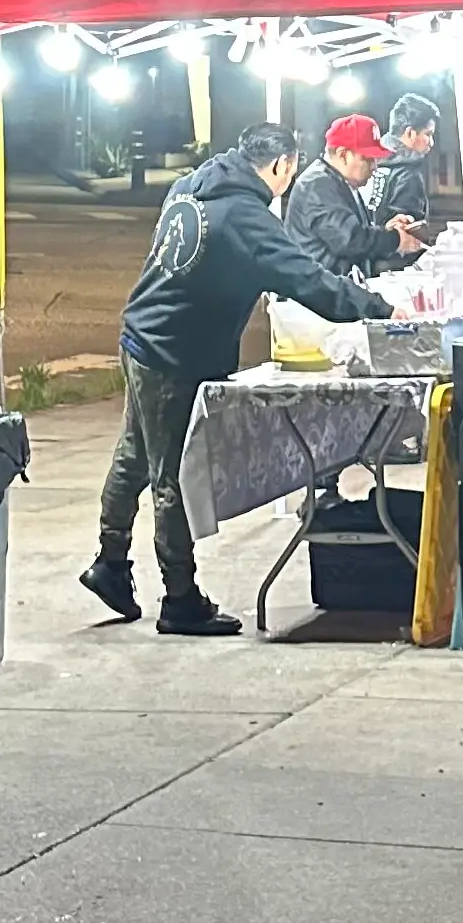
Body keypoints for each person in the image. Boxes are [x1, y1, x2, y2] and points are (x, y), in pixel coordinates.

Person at [81, 122, 397, 636]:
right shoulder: (246, 217)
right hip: (176, 352)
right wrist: (379, 309)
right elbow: (308, 279)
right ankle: (179, 598)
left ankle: (110, 561)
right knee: (171, 475)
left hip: (142, 333)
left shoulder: (191, 185)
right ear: (281, 166)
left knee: (136, 454)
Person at [286, 113, 421, 278]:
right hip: (316, 295)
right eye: (368, 160)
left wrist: (385, 229)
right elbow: (350, 240)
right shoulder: (316, 184)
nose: (374, 167)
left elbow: (354, 231)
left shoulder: (341, 182)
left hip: (335, 291)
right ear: (343, 155)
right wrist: (395, 240)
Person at [360, 93, 440, 269]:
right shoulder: (408, 175)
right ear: (410, 132)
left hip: (362, 267)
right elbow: (407, 234)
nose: (431, 142)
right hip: (395, 273)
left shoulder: (366, 165)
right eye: (428, 134)